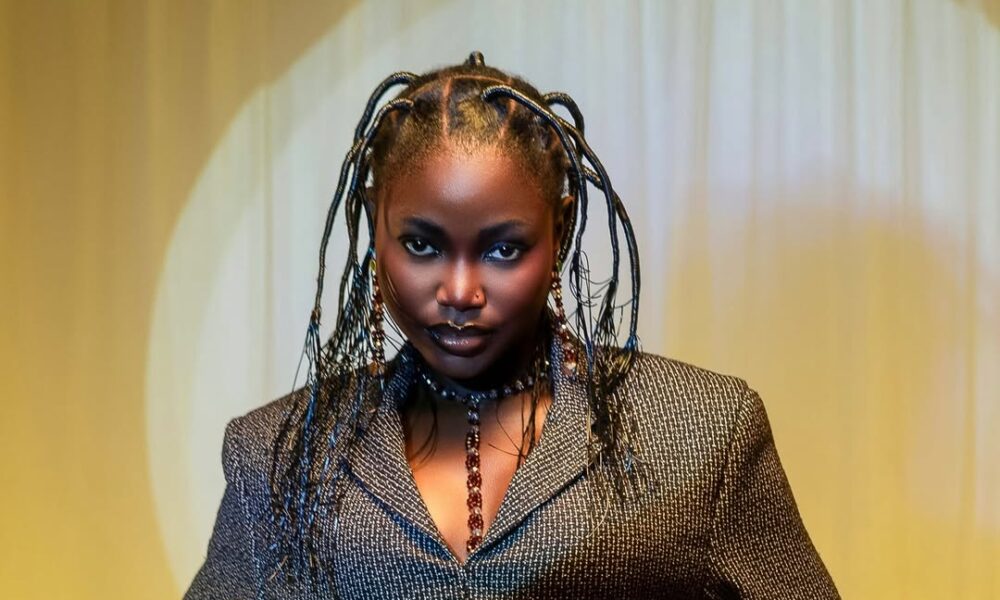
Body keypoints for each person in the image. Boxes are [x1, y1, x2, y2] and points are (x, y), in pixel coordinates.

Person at [185, 52, 839, 599]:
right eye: (421, 245)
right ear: (374, 224)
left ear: (560, 229)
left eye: (503, 249)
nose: (460, 292)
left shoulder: (703, 434)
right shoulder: (273, 459)